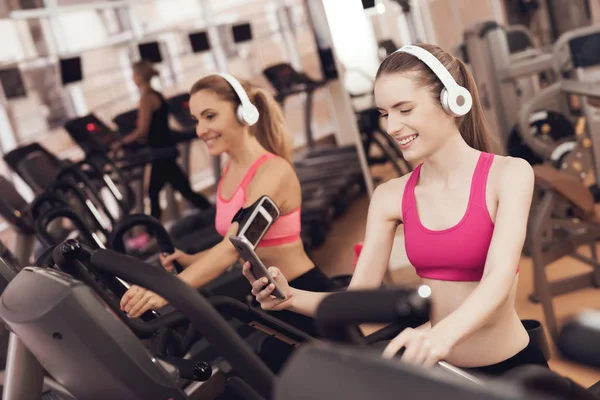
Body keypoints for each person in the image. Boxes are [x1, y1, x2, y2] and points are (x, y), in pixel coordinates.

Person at [242, 44, 550, 376]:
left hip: (514, 370)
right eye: (385, 113)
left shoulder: (510, 174)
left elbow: (498, 278)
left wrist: (440, 334)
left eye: (404, 109)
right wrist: (289, 296)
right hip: (446, 373)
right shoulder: (390, 196)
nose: (391, 127)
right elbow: (357, 299)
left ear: (452, 102)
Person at [119, 72, 340, 336]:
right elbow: (240, 245)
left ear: (243, 113)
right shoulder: (230, 167)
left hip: (303, 296)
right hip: (270, 299)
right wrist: (192, 260)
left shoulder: (273, 173)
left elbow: (236, 247)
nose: (200, 129)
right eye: (196, 120)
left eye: (210, 116)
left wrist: (166, 289)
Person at [111, 60, 211, 221]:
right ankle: (209, 211)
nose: (132, 79)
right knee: (178, 190)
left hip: (160, 152)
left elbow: (143, 129)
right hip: (165, 149)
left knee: (155, 192)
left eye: (133, 75)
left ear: (139, 77)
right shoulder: (156, 94)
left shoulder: (146, 99)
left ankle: (155, 232)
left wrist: (122, 142)